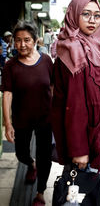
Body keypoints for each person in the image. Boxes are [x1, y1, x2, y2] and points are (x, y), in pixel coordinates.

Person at [51, 0, 100, 204]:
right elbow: (73, 107)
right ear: (74, 15)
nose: (93, 20)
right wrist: (79, 150)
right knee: (79, 192)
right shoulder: (73, 51)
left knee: (84, 190)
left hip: (92, 134)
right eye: (86, 14)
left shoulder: (91, 47)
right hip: (82, 141)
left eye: (97, 16)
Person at [2, 20, 53, 206]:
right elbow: (7, 94)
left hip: (45, 119)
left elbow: (53, 87)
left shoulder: (47, 60)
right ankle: (31, 164)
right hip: (21, 119)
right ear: (13, 42)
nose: (22, 45)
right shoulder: (10, 66)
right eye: (18, 40)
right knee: (21, 153)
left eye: (27, 40)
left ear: (35, 40)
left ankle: (40, 192)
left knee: (44, 156)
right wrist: (8, 124)